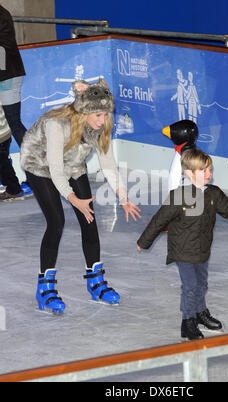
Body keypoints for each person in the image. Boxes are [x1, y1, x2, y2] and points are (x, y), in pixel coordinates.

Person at [20, 78, 141, 315]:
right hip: (40, 164)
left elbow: (108, 163)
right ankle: (44, 288)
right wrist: (73, 199)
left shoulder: (101, 124)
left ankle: (95, 281)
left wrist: (123, 197)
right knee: (56, 222)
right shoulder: (57, 124)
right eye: (97, 115)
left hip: (73, 164)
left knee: (90, 219)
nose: (102, 120)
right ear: (84, 111)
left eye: (105, 115)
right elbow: (55, 169)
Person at [137, 148, 228, 340]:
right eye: (204, 171)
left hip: (202, 249)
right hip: (183, 251)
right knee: (190, 286)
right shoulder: (179, 196)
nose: (209, 174)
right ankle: (187, 321)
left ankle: (200, 312)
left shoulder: (213, 194)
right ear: (189, 173)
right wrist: (144, 241)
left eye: (210, 170)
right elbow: (159, 220)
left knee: (201, 284)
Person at [0, 4, 32, 197]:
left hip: (7, 76)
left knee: (14, 124)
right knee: (12, 125)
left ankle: (37, 170)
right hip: (7, 74)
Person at [0, 100, 24, 200]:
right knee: (3, 164)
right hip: (4, 132)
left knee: (3, 166)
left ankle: (14, 190)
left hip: (1, 134)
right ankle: (13, 189)